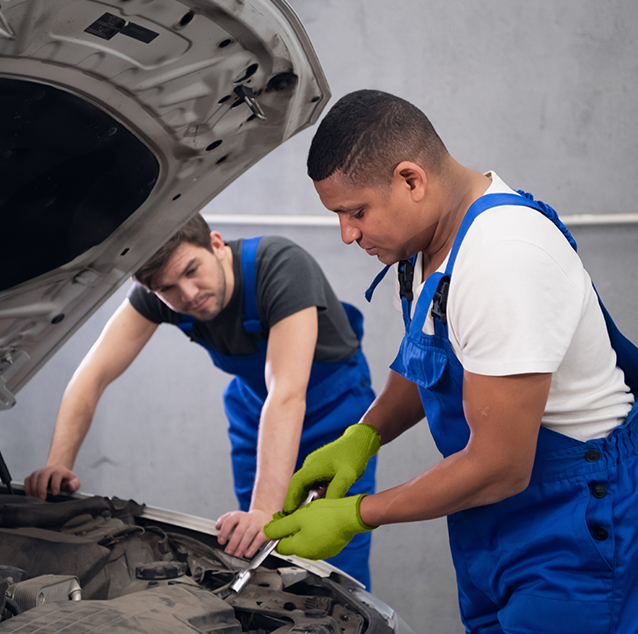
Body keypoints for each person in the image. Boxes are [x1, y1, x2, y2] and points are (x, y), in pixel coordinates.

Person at [264, 90, 638, 633]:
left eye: (356, 212)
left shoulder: (500, 257)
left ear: (411, 180)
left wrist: (357, 515)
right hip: (490, 519)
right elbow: (433, 359)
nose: (347, 234)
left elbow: (500, 465)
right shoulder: (425, 246)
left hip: (574, 521)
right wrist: (363, 436)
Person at [24, 214, 377, 588]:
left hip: (334, 411)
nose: (188, 293)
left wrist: (263, 510)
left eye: (193, 270)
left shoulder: (281, 266)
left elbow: (288, 393)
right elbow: (91, 376)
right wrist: (58, 466)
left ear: (217, 244)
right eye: (168, 289)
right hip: (255, 411)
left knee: (331, 553)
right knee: (261, 554)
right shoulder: (160, 292)